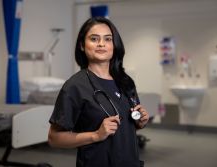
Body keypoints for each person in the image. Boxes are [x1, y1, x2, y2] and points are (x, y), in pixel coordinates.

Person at [48, 17, 149, 167]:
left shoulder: (126, 81)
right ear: (82, 45)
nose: (101, 44)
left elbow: (129, 123)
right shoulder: (75, 86)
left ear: (114, 45)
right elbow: (54, 138)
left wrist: (140, 122)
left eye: (108, 39)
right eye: (94, 39)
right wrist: (96, 135)